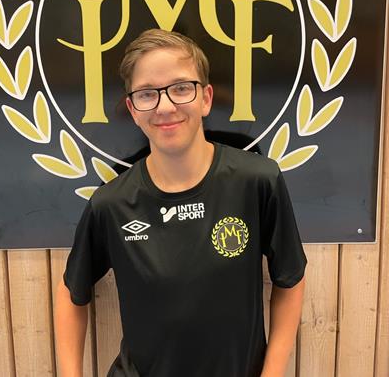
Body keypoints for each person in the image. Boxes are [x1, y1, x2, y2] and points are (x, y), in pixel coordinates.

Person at [55, 28, 307, 377]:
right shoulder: (111, 203)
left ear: (206, 98)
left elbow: (290, 278)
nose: (165, 106)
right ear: (133, 109)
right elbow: (70, 292)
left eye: (181, 88)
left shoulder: (257, 181)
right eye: (147, 94)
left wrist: (272, 373)